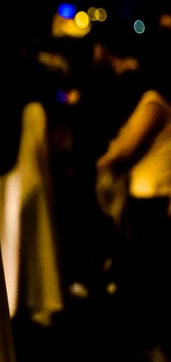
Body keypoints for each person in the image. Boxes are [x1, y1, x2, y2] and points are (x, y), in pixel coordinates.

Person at [95, 27, 171, 361]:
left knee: (151, 276)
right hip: (149, 195)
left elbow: (127, 148)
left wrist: (101, 161)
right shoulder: (155, 99)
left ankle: (155, 344)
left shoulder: (155, 102)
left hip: (154, 197)